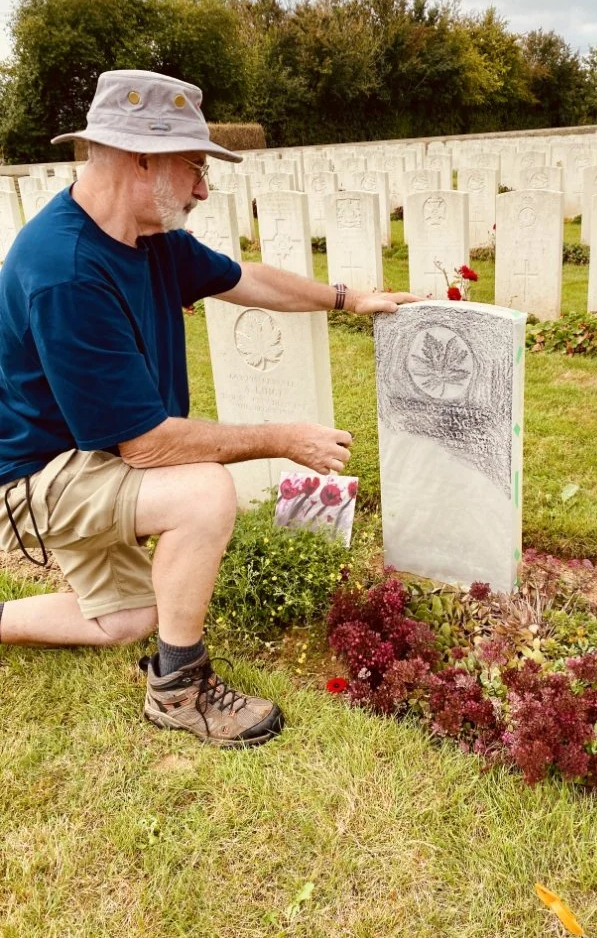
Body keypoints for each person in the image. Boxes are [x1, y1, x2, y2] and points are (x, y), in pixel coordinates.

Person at [0, 69, 418, 748]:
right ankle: (179, 689)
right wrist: (283, 437)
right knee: (202, 492)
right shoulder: (67, 271)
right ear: (139, 158)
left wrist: (347, 297)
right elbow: (146, 447)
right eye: (193, 166)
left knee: (129, 616)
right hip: (36, 475)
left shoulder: (147, 235)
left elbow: (244, 278)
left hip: (84, 454)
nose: (203, 188)